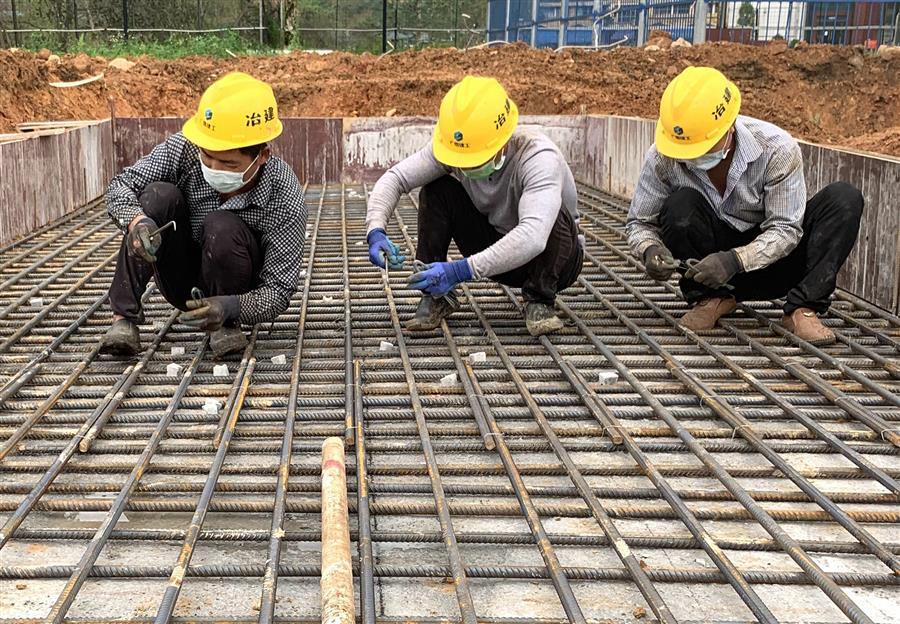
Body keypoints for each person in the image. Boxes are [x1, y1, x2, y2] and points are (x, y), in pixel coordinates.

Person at [627, 66, 863, 345]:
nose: (695, 156)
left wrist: (734, 260)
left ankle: (803, 308)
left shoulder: (776, 149)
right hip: (708, 272)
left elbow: (786, 229)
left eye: (703, 147)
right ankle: (711, 299)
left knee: (843, 200)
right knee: (680, 205)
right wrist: (650, 249)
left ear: (729, 127)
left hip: (778, 265)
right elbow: (639, 223)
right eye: (688, 150)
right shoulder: (664, 155)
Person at [100, 72, 307, 358]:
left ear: (262, 156)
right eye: (208, 156)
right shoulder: (185, 148)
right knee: (157, 197)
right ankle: (123, 319)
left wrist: (231, 307)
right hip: (180, 276)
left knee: (222, 225)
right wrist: (137, 221)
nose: (213, 168)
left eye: (228, 163)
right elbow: (121, 185)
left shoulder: (284, 195)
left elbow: (279, 289)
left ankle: (226, 326)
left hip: (234, 292)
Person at [365, 75, 583, 336]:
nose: (465, 166)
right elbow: (396, 178)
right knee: (436, 190)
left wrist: (460, 270)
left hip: (554, 262)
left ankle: (540, 300)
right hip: (499, 253)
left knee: (552, 215)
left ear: (502, 142)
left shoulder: (538, 157)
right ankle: (437, 296)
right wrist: (376, 230)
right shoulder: (453, 149)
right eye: (462, 159)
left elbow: (534, 236)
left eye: (475, 159)